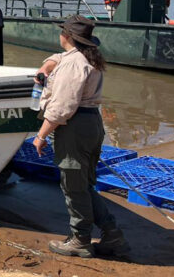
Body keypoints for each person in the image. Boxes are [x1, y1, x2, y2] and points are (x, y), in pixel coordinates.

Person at [33, 15, 129, 258]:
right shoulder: (84, 57)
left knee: (73, 186)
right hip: (90, 122)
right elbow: (59, 58)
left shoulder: (74, 63)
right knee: (84, 184)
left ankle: (80, 240)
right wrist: (46, 67)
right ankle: (111, 232)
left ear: (66, 36)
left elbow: (62, 107)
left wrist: (41, 135)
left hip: (74, 126)